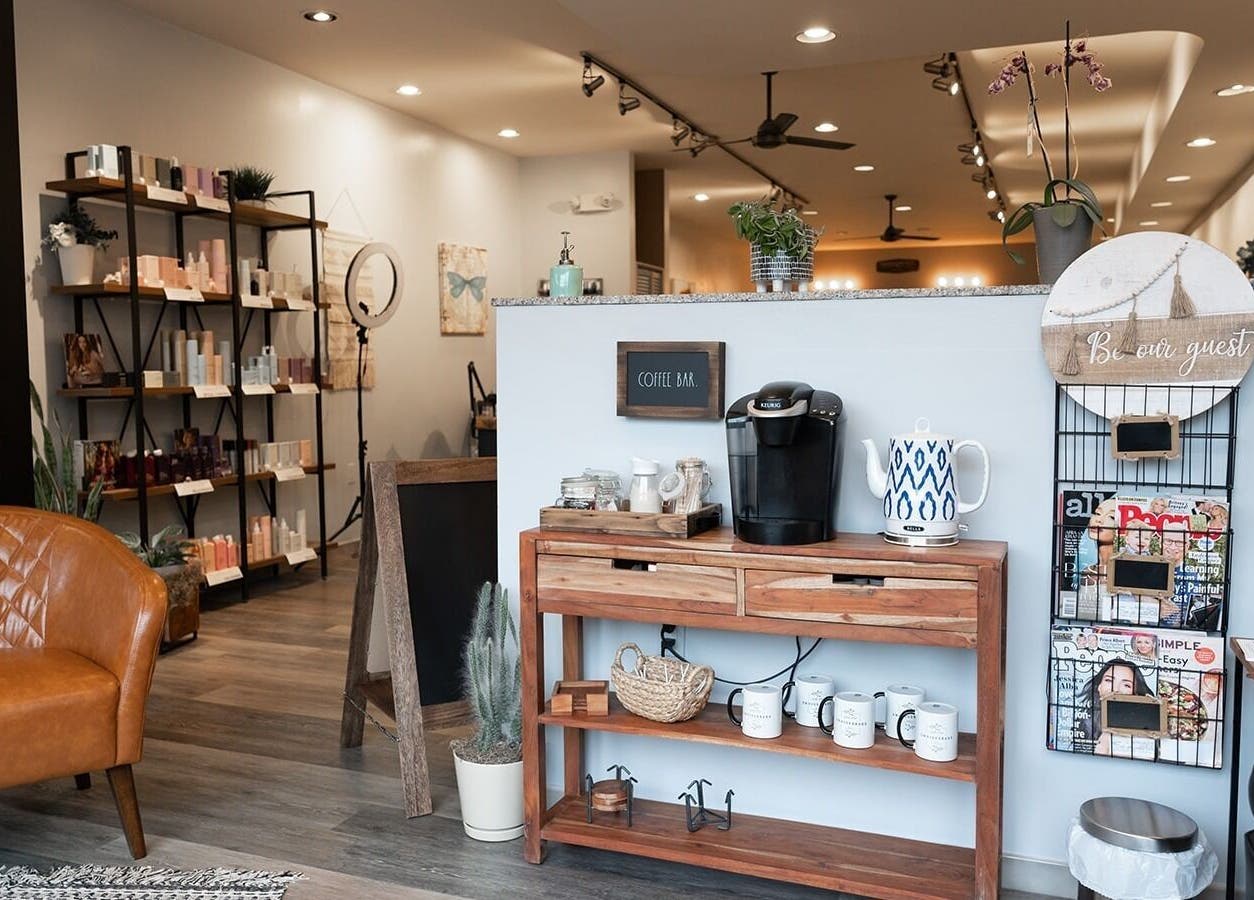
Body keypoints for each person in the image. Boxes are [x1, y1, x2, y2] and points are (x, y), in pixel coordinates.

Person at [1079, 657, 1155, 757]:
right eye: (1109, 680)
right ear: (1099, 686)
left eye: (1126, 685)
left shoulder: (1145, 729)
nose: (1115, 689)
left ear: (1136, 694)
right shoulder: (1085, 720)